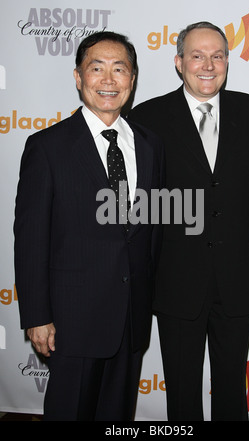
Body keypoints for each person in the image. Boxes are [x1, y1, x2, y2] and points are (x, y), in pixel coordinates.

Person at [129, 21, 249, 421]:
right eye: (197, 56)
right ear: (179, 63)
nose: (208, 65)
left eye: (217, 56)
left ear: (228, 61)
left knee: (231, 384)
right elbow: (142, 206)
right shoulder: (147, 117)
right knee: (180, 388)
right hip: (175, 278)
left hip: (239, 275)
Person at [14, 31, 164, 421]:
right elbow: (30, 240)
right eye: (96, 69)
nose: (109, 80)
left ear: (133, 79)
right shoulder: (47, 147)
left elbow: (149, 234)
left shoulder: (150, 145)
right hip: (71, 320)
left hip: (131, 321)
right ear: (79, 77)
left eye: (120, 69)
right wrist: (36, 315)